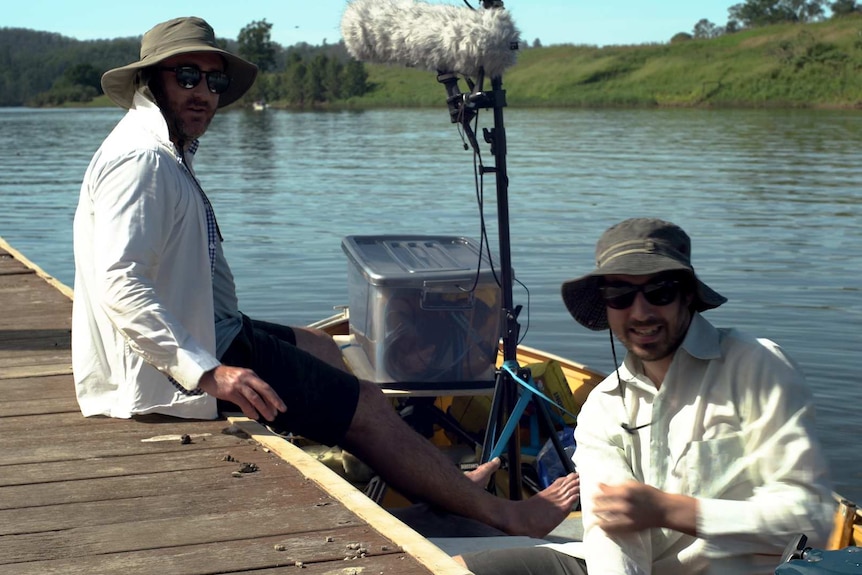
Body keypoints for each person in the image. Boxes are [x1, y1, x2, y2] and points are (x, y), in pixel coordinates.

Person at [71, 16, 579, 540]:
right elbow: (121, 283)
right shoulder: (142, 161)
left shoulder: (162, 149)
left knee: (321, 346)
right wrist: (207, 373)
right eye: (187, 77)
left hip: (211, 328)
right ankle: (505, 513)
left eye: (214, 81)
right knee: (369, 405)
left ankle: (440, 487)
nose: (203, 92)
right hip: (176, 367)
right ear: (151, 80)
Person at [458, 217, 835, 574]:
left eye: (659, 291)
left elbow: (810, 522)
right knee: (448, 567)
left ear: (686, 295)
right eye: (620, 294)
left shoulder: (756, 366)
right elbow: (615, 538)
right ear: (606, 305)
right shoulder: (603, 406)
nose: (640, 312)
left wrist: (671, 510)